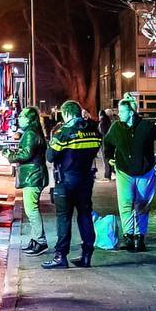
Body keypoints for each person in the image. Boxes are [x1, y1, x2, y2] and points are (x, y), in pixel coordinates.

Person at [103, 97, 156, 252]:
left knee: (142, 204)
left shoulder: (146, 127)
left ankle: (140, 238)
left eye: (122, 111)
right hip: (124, 171)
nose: (119, 114)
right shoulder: (116, 128)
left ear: (131, 112)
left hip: (145, 172)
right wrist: (109, 158)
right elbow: (107, 143)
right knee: (125, 204)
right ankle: (128, 236)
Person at [43, 100, 103, 269]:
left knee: (63, 218)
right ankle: (86, 256)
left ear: (67, 114)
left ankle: (60, 257)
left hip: (66, 181)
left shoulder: (63, 133)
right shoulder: (93, 132)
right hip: (86, 180)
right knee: (85, 216)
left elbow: (50, 157)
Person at [6, 107, 49, 255]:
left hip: (33, 176)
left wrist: (8, 154)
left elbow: (25, 154)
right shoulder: (33, 132)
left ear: (29, 119)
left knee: (32, 210)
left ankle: (40, 241)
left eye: (22, 116)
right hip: (34, 175)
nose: (19, 118)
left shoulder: (30, 134)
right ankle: (35, 239)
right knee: (31, 209)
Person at [98, 108, 114, 180]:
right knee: (109, 158)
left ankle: (107, 175)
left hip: (104, 143)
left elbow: (103, 134)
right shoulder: (107, 121)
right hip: (108, 142)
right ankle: (111, 173)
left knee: (106, 159)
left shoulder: (103, 122)